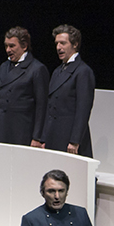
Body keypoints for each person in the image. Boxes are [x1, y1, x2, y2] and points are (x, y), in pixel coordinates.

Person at [41, 25, 95, 156]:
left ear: (75, 44)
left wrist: (75, 141)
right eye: (57, 43)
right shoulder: (57, 71)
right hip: (54, 134)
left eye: (63, 43)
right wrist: (43, 138)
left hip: (69, 137)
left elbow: (83, 109)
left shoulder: (82, 71)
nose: (58, 47)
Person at [0, 27, 49, 146]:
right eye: (6, 46)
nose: (8, 50)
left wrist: (37, 137)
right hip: (1, 130)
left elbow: (42, 106)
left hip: (22, 132)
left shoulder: (36, 69)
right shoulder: (3, 67)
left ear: (24, 46)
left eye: (12, 46)